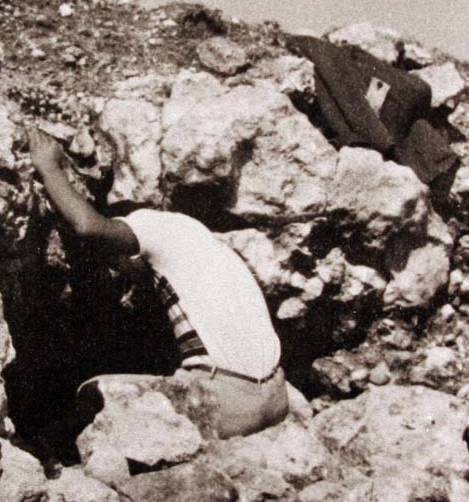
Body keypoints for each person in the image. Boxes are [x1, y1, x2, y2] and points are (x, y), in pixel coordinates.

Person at [27, 127, 289, 439]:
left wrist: (49, 166)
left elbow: (86, 225)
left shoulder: (153, 227)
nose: (120, 275)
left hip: (230, 404)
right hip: (277, 396)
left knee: (93, 392)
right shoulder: (206, 247)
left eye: (116, 262)